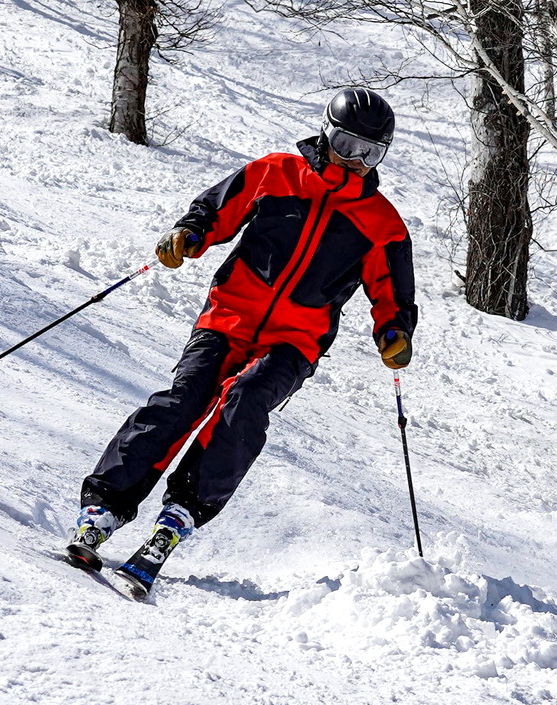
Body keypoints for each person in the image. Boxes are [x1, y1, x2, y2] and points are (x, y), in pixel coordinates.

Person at [66, 88, 418, 600]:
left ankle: (182, 513)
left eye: (370, 152)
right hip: (227, 319)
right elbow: (216, 210)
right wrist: (190, 233)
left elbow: (393, 293)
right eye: (346, 142)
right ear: (326, 132)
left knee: (245, 404)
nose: (354, 159)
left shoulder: (382, 224)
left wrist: (394, 332)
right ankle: (105, 507)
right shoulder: (276, 173)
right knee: (183, 400)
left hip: (294, 342)